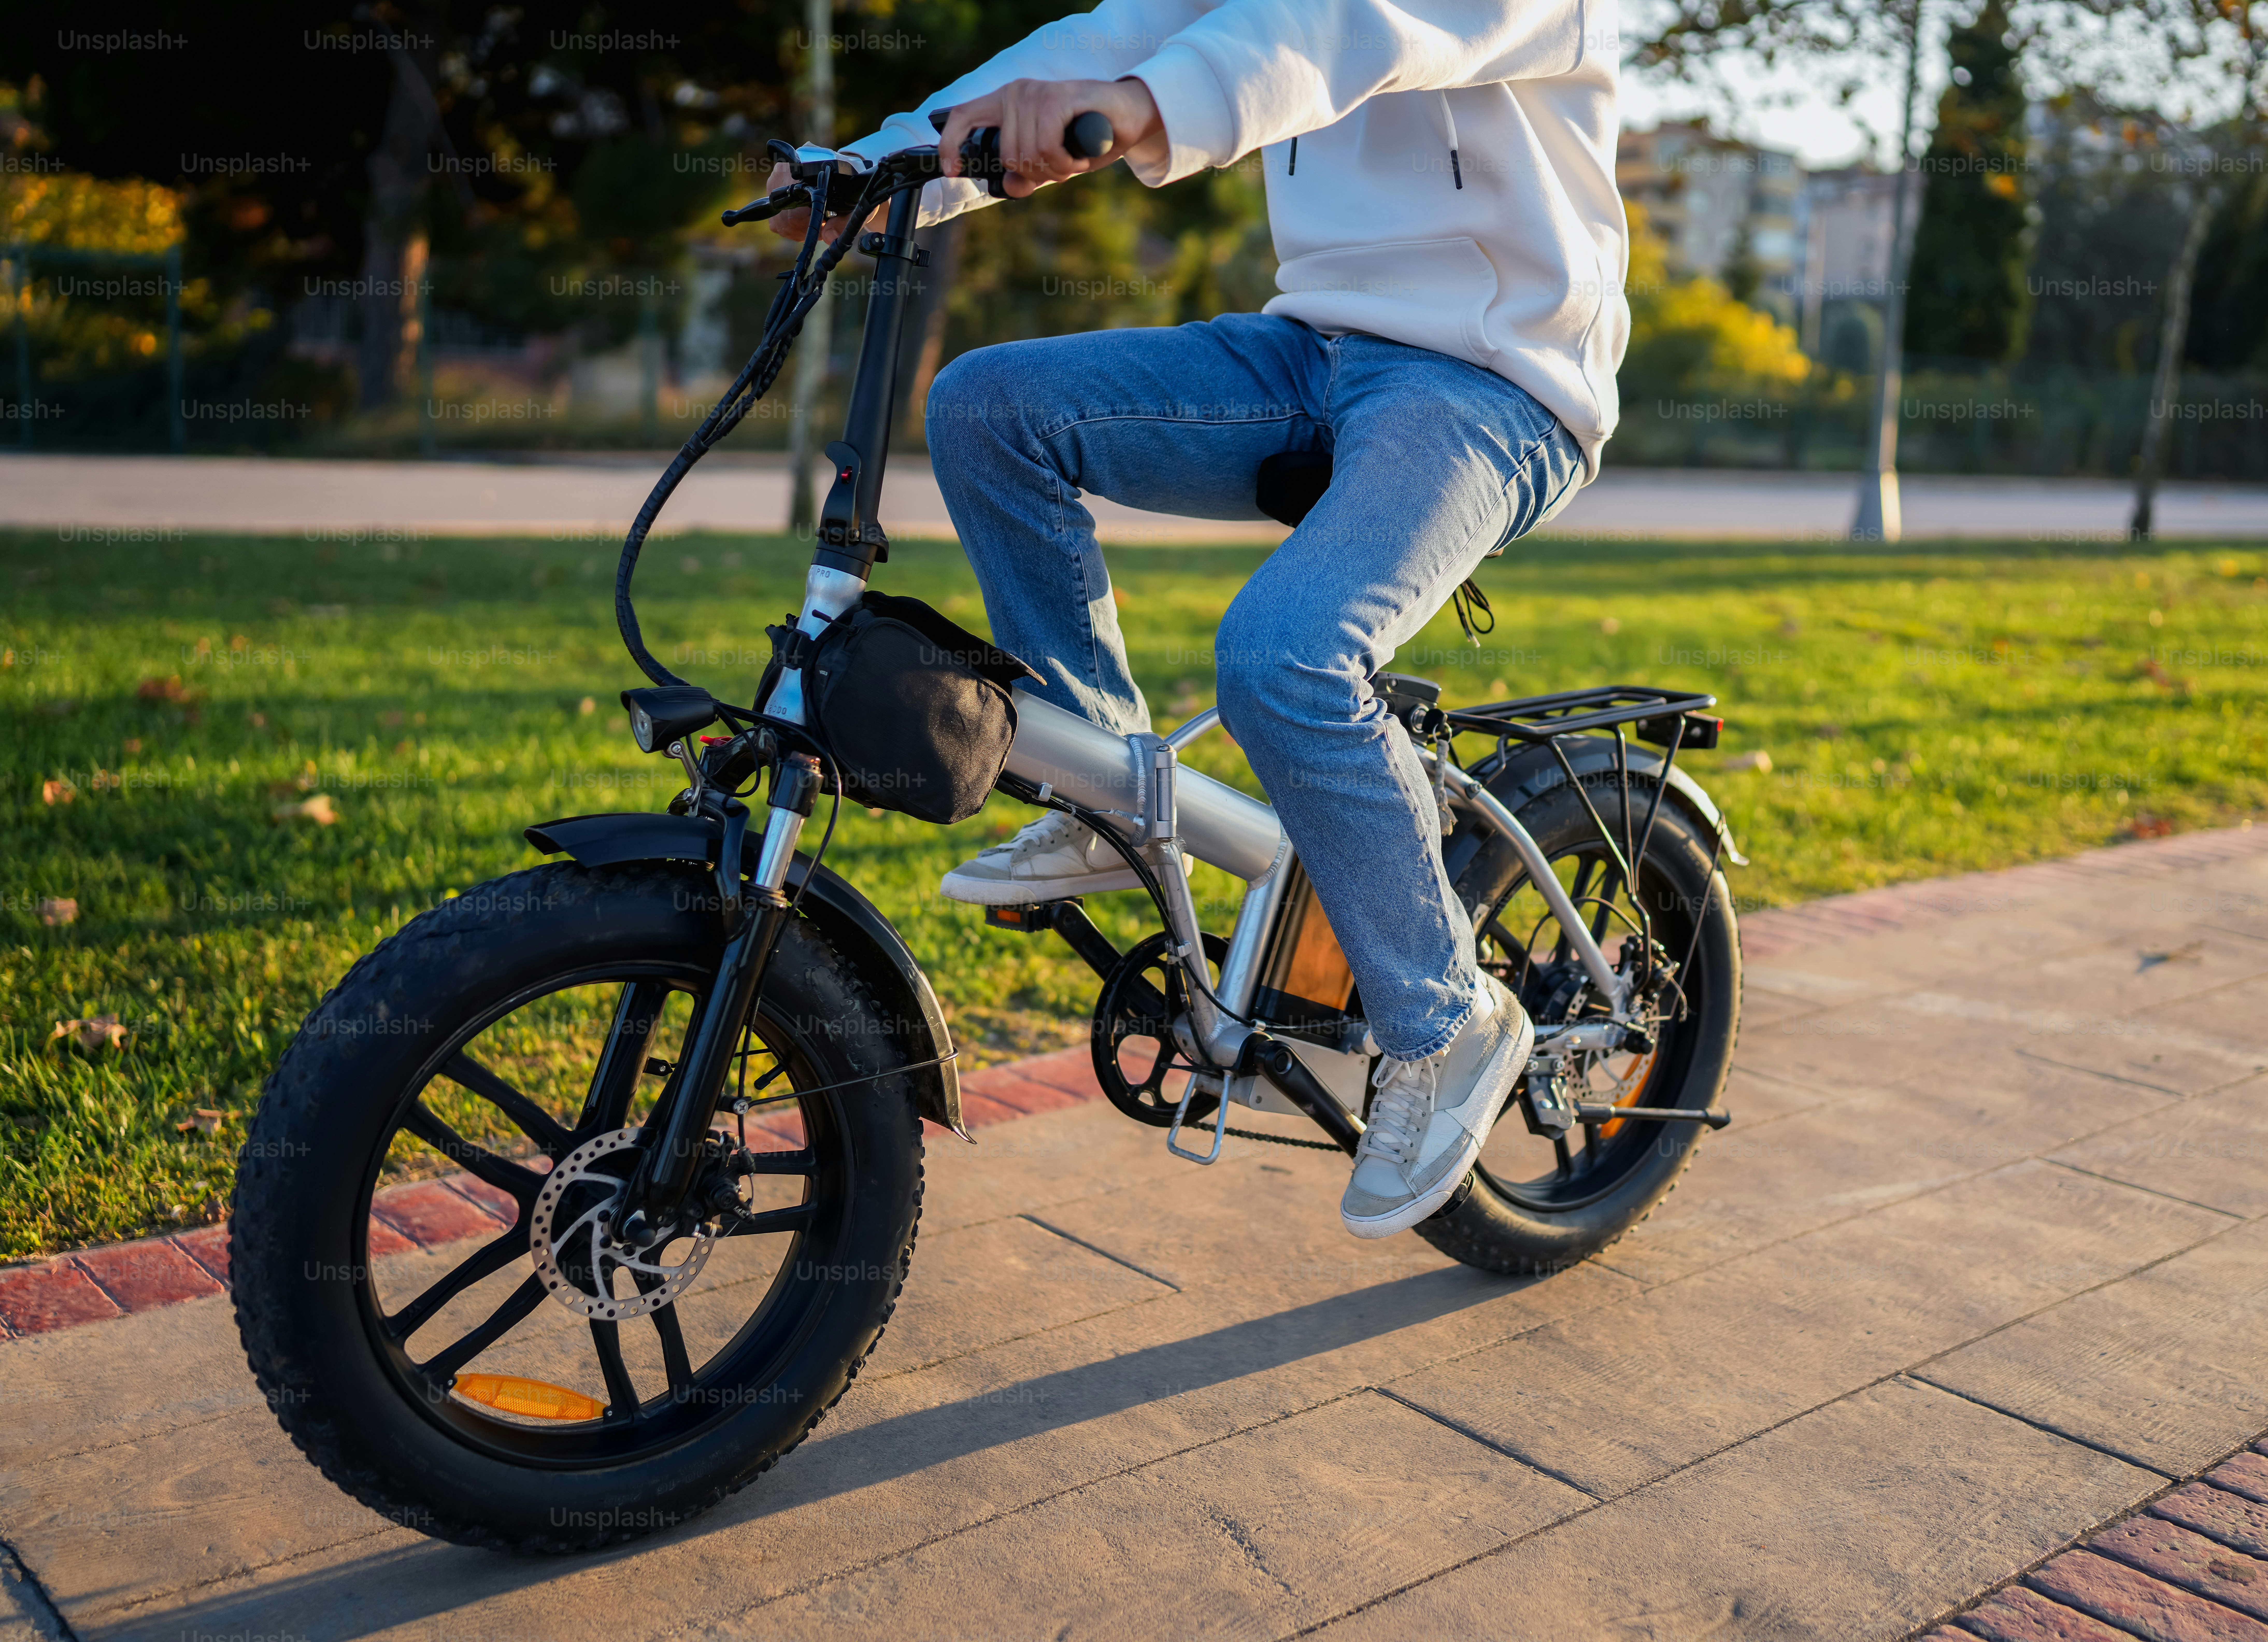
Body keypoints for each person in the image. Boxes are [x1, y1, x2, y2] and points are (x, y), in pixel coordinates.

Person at [771, 1, 1629, 1238]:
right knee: (987, 406)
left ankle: (1447, 1019)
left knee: (1283, 658)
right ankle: (1107, 786)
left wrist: (1145, 106)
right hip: (1311, 354)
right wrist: (883, 162)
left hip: (1491, 381)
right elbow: (1120, 26)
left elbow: (1356, 26)